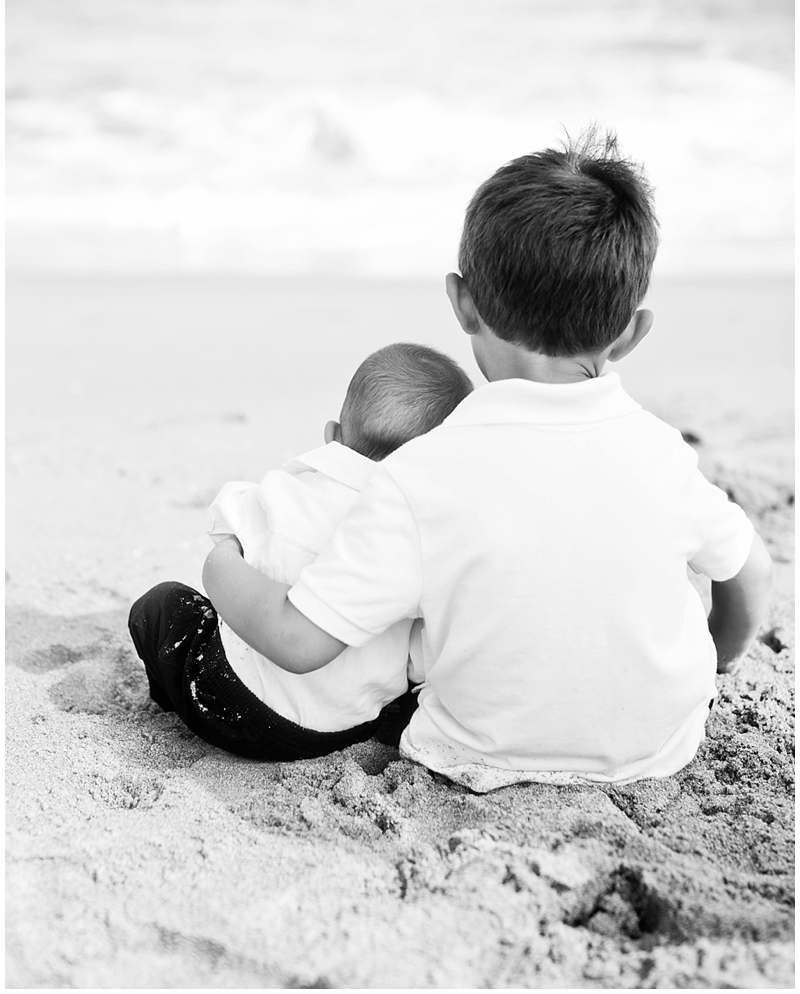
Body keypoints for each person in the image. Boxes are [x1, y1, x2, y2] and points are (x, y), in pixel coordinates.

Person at [200, 130, 773, 791]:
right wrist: (718, 659)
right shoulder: (665, 456)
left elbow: (298, 642)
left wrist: (221, 563)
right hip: (661, 750)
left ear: (463, 302)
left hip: (476, 759)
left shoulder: (422, 474)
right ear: (633, 332)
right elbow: (750, 572)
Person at [128, 343, 473, 759]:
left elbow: (226, 524)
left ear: (332, 438)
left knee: (163, 605)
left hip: (235, 703)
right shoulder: (422, 541)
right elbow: (423, 651)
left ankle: (168, 698)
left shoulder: (287, 493)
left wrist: (239, 550)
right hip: (344, 727)